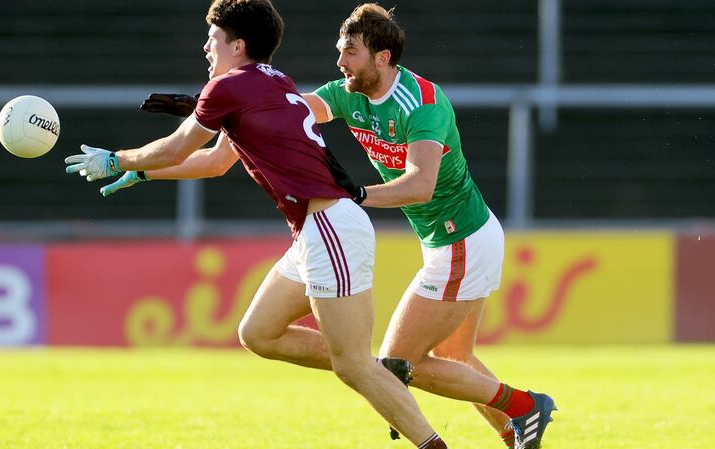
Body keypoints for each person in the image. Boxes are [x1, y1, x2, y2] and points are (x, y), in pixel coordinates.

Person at [103, 3, 558, 449]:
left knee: (397, 365)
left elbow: (420, 186)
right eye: (339, 51)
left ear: (383, 57)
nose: (339, 62)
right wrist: (206, 113)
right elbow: (279, 113)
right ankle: (516, 426)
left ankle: (520, 405)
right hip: (438, 239)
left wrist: (357, 194)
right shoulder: (346, 92)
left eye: (350, 52)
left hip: (463, 238)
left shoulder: (422, 103)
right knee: (442, 359)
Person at [64, 1, 450, 448]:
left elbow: (175, 147)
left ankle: (424, 433)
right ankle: (377, 368)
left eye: (212, 39)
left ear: (238, 44)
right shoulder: (274, 81)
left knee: (352, 367)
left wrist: (117, 159)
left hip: (329, 227)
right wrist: (145, 171)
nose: (205, 47)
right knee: (259, 333)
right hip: (317, 231)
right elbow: (212, 162)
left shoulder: (227, 88)